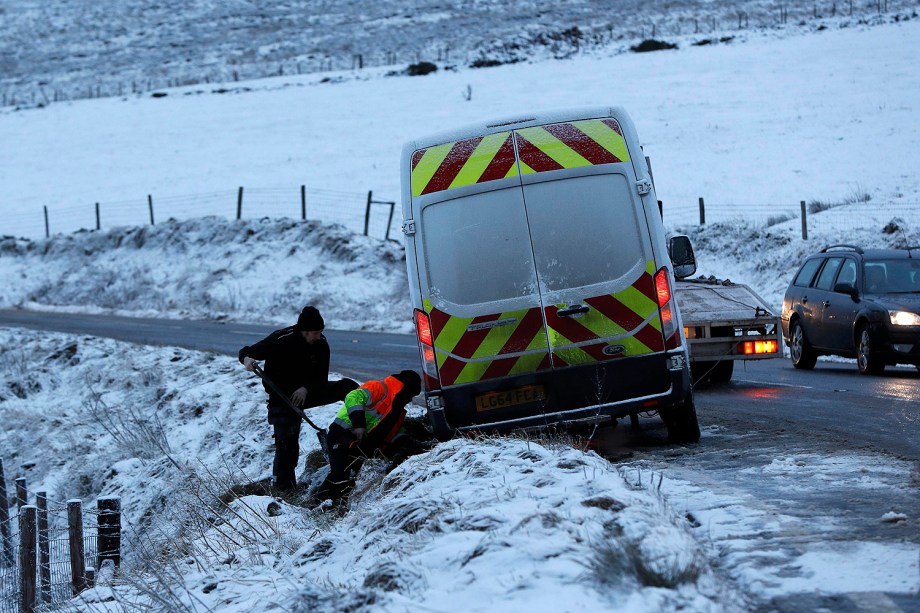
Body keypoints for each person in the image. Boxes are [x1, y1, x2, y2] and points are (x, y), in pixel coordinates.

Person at [239, 305, 358, 491]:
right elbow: (248, 352)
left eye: (320, 332)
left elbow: (321, 378)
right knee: (287, 443)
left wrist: (305, 388)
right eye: (315, 333)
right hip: (281, 396)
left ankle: (359, 430)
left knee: (348, 387)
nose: (318, 336)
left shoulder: (321, 344)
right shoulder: (281, 339)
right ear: (304, 331)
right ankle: (284, 489)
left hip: (308, 392)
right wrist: (247, 360)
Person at [311, 370, 423, 507]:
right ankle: (317, 505)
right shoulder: (379, 388)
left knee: (352, 479)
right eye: (411, 394)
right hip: (341, 434)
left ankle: (337, 504)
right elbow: (353, 396)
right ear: (404, 388)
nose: (410, 399)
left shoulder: (398, 409)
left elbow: (387, 433)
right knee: (339, 473)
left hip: (360, 444)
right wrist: (359, 425)